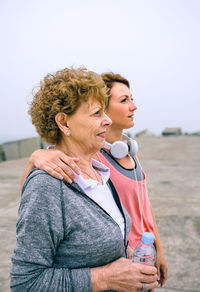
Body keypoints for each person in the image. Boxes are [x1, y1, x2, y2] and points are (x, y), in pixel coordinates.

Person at [11, 67, 158, 292]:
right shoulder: (47, 187)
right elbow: (25, 283)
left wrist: (127, 258)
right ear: (64, 123)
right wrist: (105, 278)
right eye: (97, 113)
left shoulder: (100, 174)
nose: (107, 120)